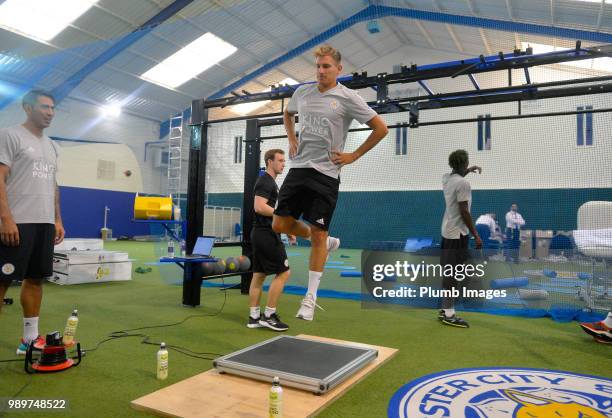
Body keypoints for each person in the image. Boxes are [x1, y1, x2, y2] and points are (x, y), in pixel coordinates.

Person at [272, 44, 389, 321]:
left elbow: (381, 128)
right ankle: (326, 241)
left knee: (319, 235)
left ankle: (310, 298)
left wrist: (354, 155)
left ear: (338, 69)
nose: (321, 71)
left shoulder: (348, 97)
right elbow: (288, 114)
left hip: (327, 174)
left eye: (326, 67)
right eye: (318, 66)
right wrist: (291, 138)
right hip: (299, 168)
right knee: (279, 224)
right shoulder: (302, 93)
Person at [0, 90, 64, 354]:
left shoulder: (52, 146)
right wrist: (6, 218)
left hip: (44, 223)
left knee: (35, 279)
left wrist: (57, 219)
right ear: (28, 107)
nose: (50, 112)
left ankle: (29, 340)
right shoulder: (9, 135)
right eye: (44, 107)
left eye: (52, 108)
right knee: (1, 281)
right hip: (17, 222)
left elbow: (53, 185)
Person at [248, 149, 294, 332]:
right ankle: (269, 315)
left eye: (284, 160)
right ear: (269, 161)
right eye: (280, 160)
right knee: (284, 272)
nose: (284, 163)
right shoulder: (265, 181)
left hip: (262, 232)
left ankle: (253, 317)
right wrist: (281, 217)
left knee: (259, 275)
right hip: (265, 234)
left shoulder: (271, 183)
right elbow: (259, 207)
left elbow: (267, 213)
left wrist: (285, 228)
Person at [439, 150, 482, 328]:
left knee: (449, 272)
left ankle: (445, 308)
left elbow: (457, 175)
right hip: (458, 234)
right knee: (454, 274)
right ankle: (449, 314)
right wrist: (476, 235)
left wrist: (468, 169)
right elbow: (465, 211)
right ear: (464, 163)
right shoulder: (463, 184)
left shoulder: (446, 178)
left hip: (446, 232)